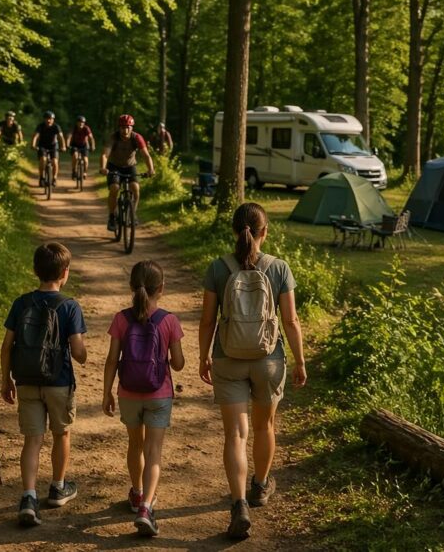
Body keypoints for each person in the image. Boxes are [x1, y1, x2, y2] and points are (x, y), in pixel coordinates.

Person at [198, 202, 306, 539]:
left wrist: (204, 356)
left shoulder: (218, 268)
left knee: (235, 435)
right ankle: (260, 485)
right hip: (269, 359)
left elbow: (207, 320)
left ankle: (239, 503)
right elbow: (290, 320)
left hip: (228, 358)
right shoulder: (279, 268)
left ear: (234, 231)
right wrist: (300, 360)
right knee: (264, 426)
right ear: (264, 232)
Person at [0, 243, 87, 526]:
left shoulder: (21, 303)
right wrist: (84, 354)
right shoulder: (69, 306)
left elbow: (6, 346)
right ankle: (58, 487)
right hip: (59, 382)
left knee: (32, 440)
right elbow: (77, 351)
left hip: (26, 380)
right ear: (65, 273)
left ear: (35, 270)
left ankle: (28, 497)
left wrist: (6, 379)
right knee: (61, 434)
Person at [102, 260, 185, 537]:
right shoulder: (169, 320)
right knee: (154, 452)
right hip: (159, 395)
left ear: (131, 287)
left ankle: (137, 493)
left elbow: (112, 360)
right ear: (161, 288)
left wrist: (106, 393)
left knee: (135, 444)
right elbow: (178, 363)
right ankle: (147, 507)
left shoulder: (121, 319)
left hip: (128, 393)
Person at [100, 114, 154, 232]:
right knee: (114, 188)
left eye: (128, 127)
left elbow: (146, 155)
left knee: (135, 188)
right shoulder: (113, 137)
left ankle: (133, 214)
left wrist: (151, 169)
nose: (125, 130)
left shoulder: (137, 138)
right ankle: (112, 217)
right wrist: (103, 168)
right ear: (119, 128)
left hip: (130, 166)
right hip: (114, 167)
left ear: (132, 128)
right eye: (123, 127)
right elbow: (105, 155)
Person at [31, 111, 66, 187]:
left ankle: (54, 178)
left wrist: (63, 146)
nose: (48, 120)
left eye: (50, 119)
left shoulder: (56, 126)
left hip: (53, 145)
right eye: (47, 119)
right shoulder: (40, 126)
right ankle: (42, 177)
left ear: (53, 120)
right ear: (44, 119)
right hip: (42, 145)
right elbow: (35, 136)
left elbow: (61, 137)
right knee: (43, 159)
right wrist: (33, 145)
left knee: (55, 161)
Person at [67, 116, 95, 181]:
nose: (81, 124)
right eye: (79, 122)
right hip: (75, 145)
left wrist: (93, 146)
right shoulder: (74, 128)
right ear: (77, 123)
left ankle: (85, 172)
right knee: (75, 156)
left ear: (84, 123)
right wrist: (67, 144)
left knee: (85, 160)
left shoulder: (86, 128)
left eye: (82, 122)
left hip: (84, 145)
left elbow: (91, 138)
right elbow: (69, 136)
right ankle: (74, 171)